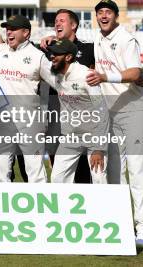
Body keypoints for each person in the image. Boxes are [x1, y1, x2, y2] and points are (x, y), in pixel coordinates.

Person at [86, 0, 143, 249]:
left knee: (137, 168)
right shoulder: (96, 38)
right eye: (100, 12)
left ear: (116, 16)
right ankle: (122, 225)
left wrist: (105, 76)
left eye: (108, 12)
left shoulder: (126, 38)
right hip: (110, 112)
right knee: (114, 171)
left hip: (132, 109)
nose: (104, 16)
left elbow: (135, 73)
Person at [0, 15, 51, 183]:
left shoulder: (37, 56)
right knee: (0, 171)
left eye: (13, 29)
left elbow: (57, 81)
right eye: (7, 29)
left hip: (29, 120)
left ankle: (41, 208)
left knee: (35, 171)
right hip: (3, 119)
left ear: (26, 33)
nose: (8, 32)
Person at [43, 39, 109, 184]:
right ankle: (63, 207)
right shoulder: (56, 74)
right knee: (57, 178)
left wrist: (98, 148)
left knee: (99, 178)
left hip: (93, 136)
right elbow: (37, 60)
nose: (52, 57)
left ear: (68, 57)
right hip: (70, 137)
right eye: (52, 53)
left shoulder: (86, 75)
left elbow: (102, 111)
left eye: (57, 54)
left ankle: (102, 207)